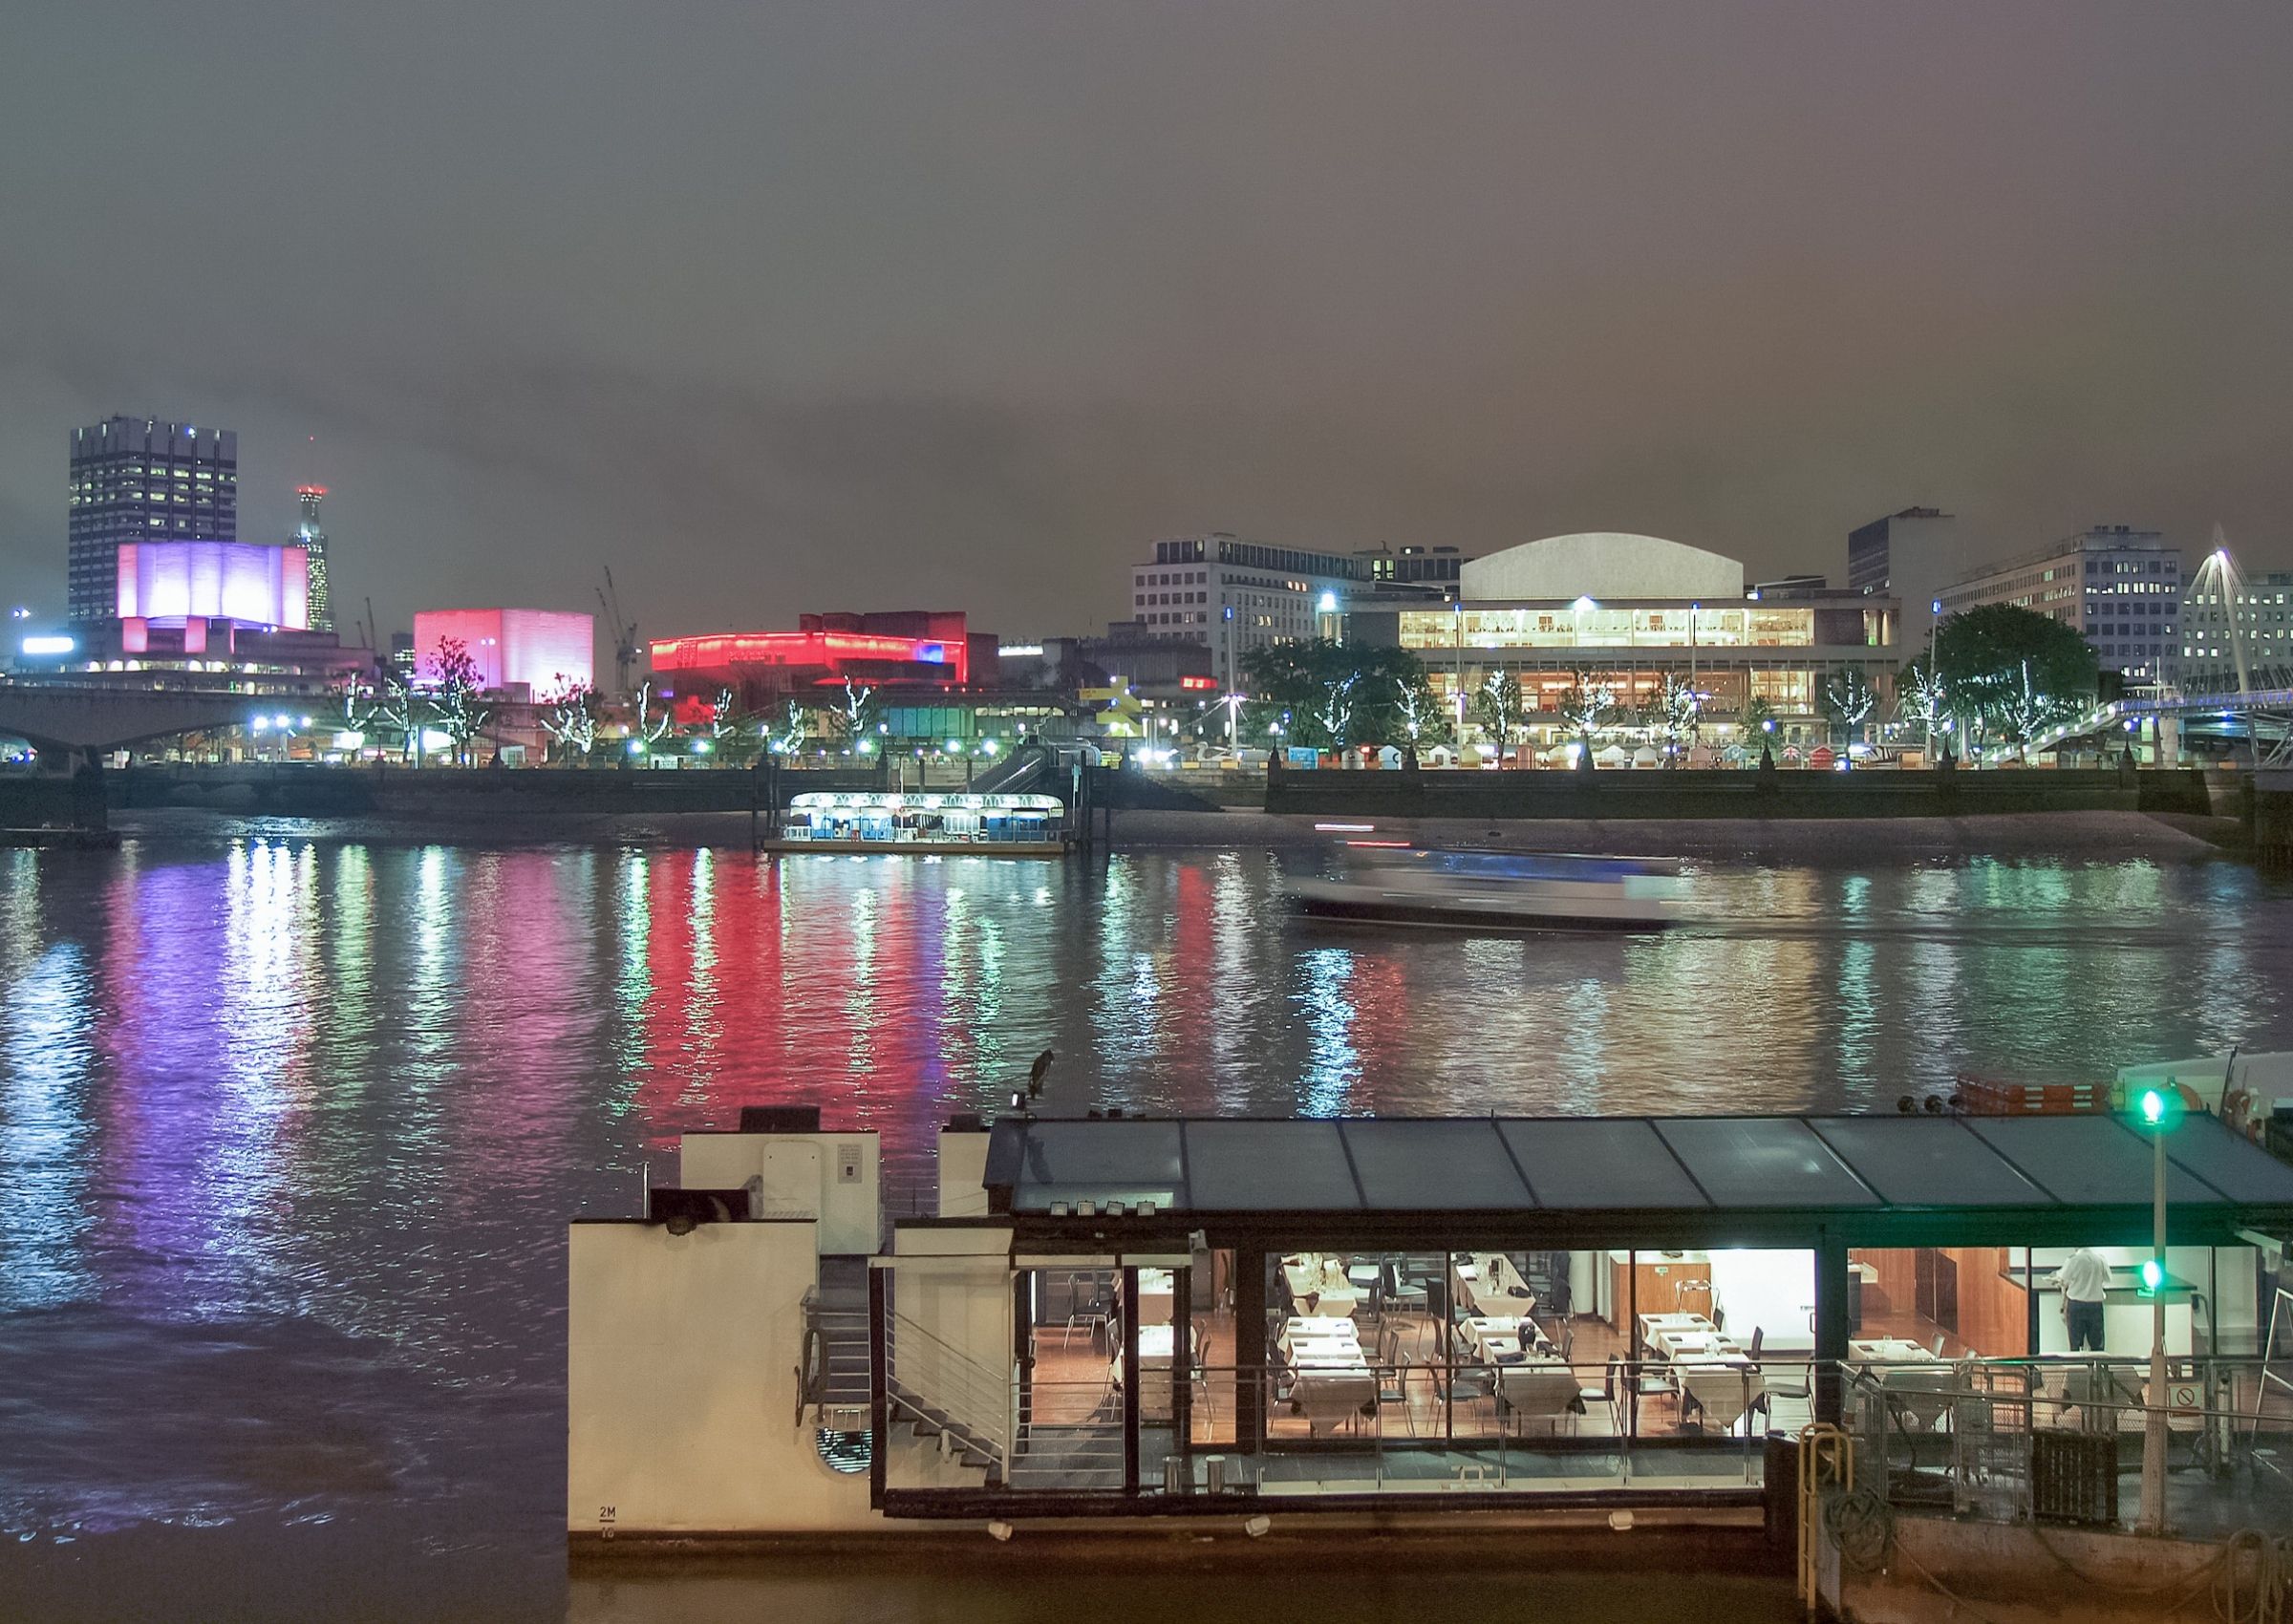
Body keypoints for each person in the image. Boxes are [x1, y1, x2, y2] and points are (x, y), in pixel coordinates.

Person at [2050, 1246, 2111, 1352]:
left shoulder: (2073, 1260)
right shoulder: (2100, 1259)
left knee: (2075, 1345)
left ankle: (2077, 1367)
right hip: (2096, 1305)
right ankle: (2100, 1367)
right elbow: (2108, 1278)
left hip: (2076, 1305)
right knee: (2098, 1344)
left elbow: (2062, 1278)